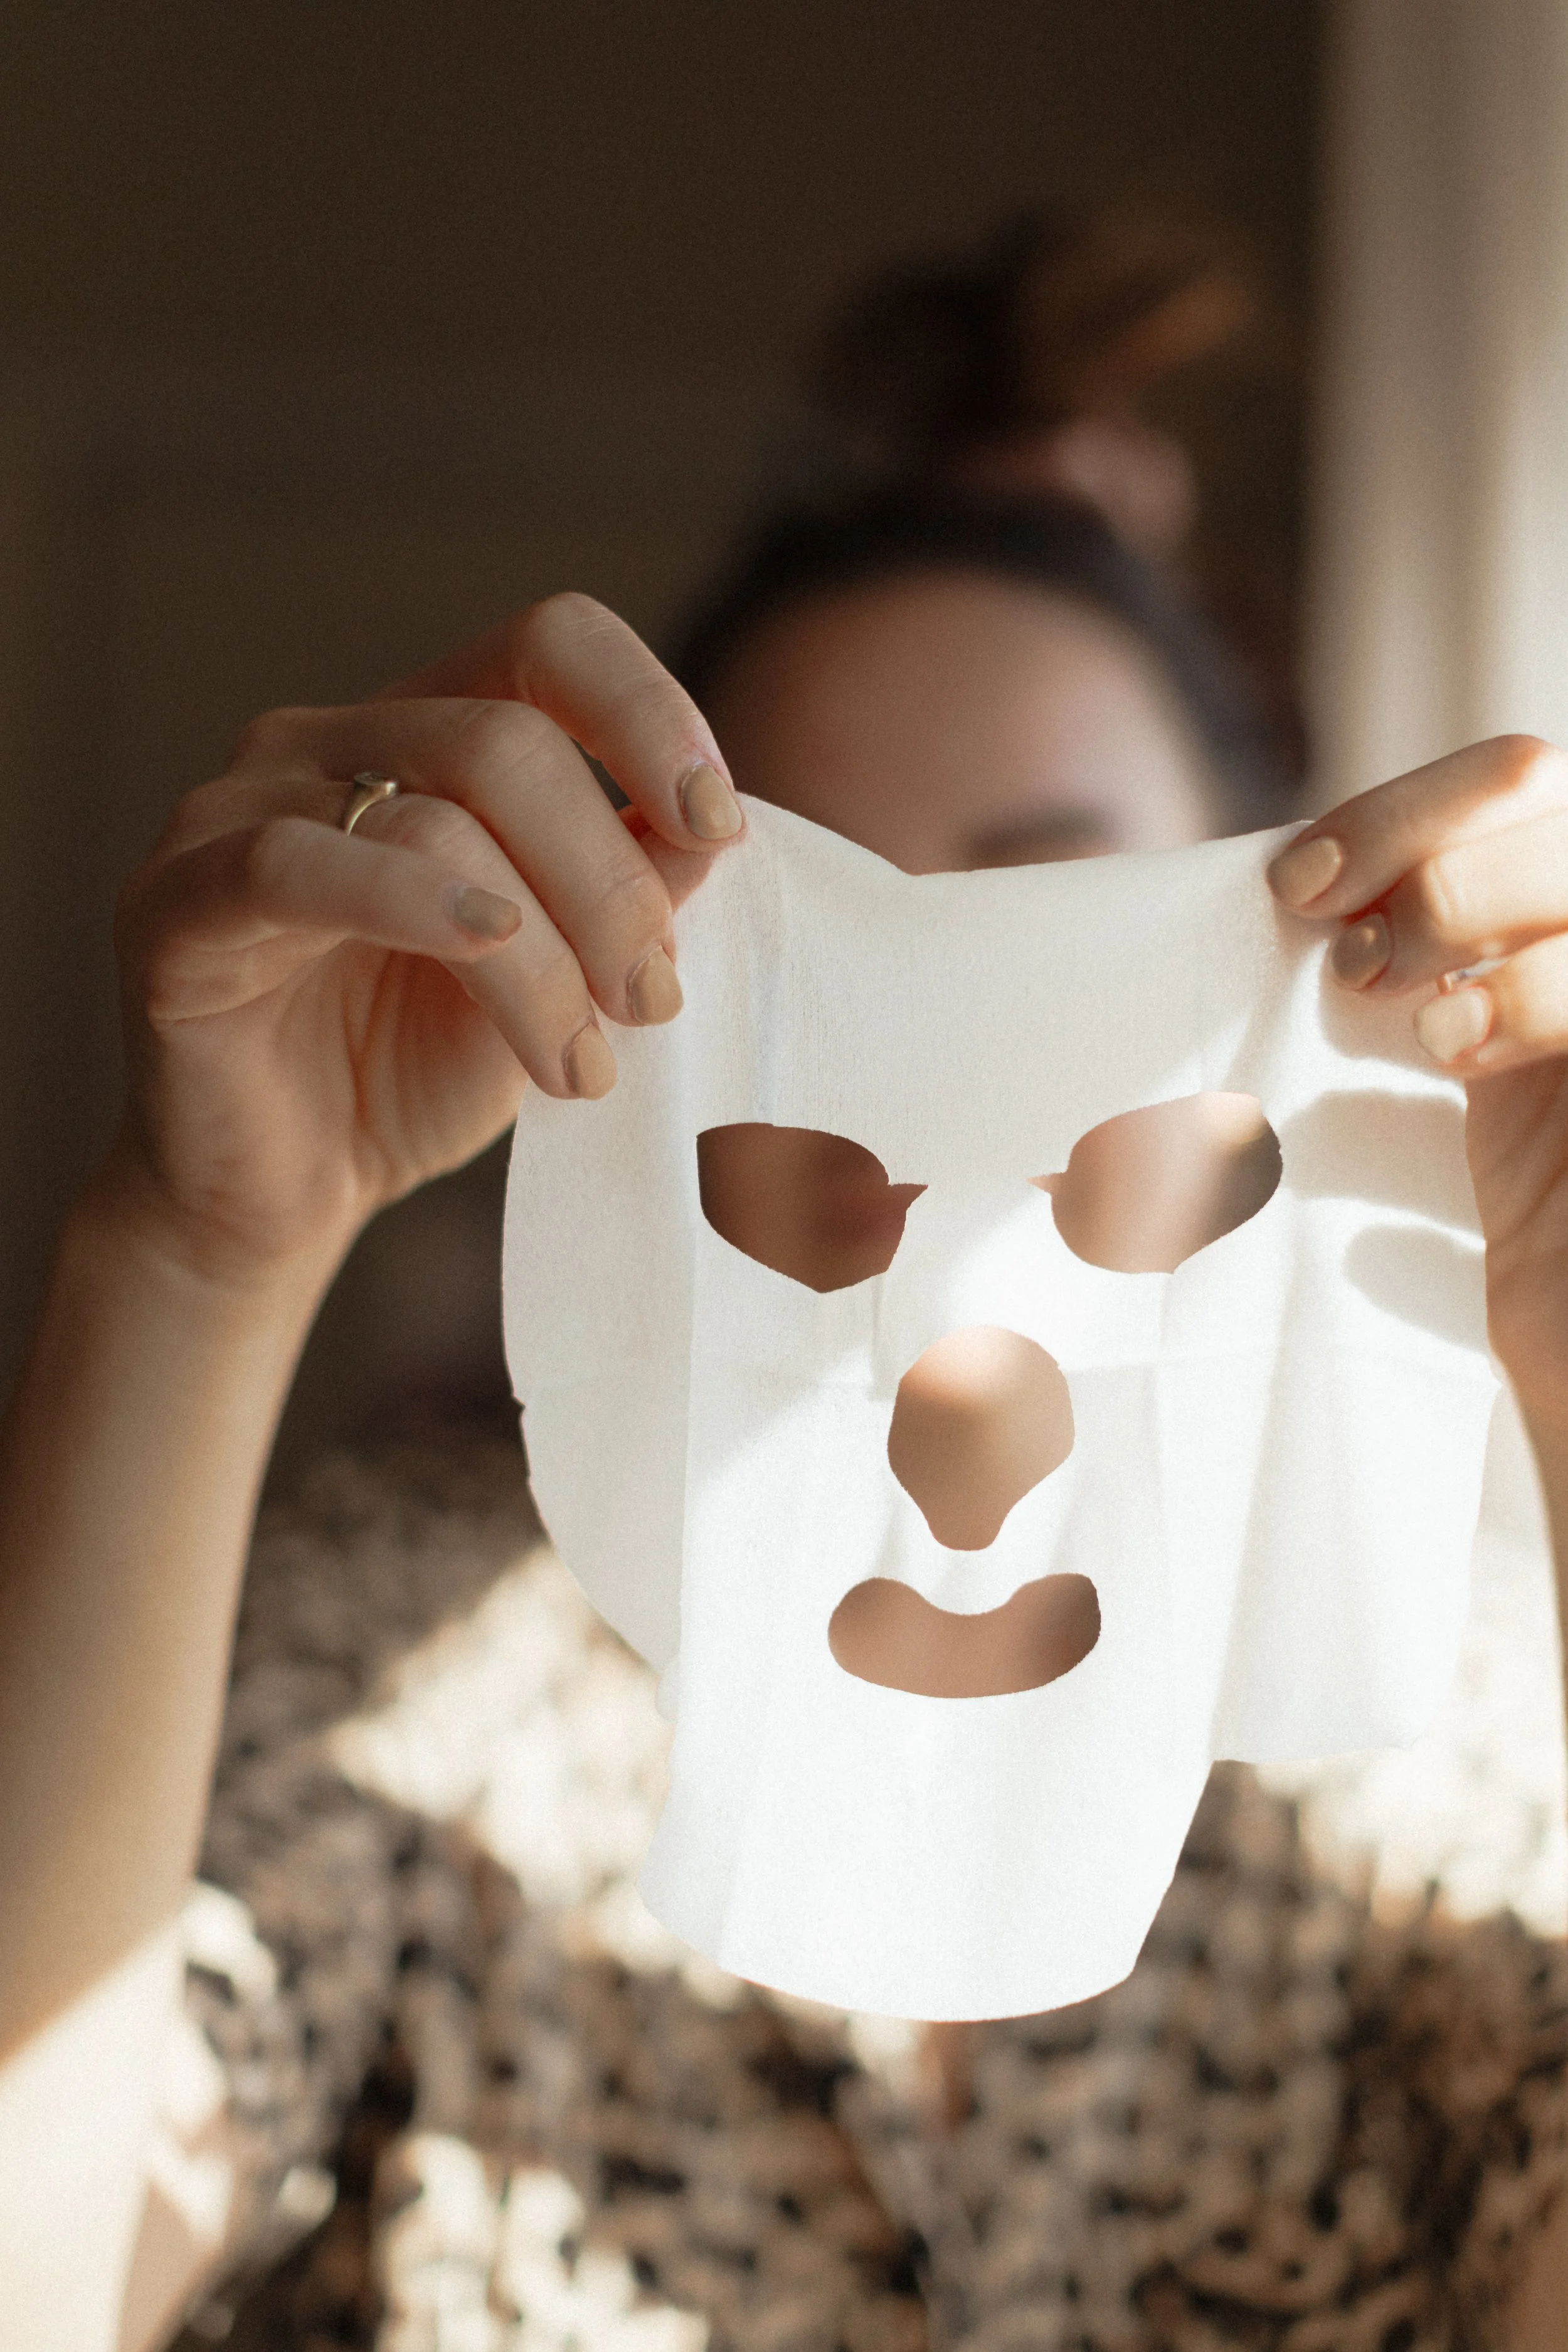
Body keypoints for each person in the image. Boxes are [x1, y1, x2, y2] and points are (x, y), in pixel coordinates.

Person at [4, 223, 1568, 2346]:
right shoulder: (419, 1662)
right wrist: (192, 1255)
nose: (946, 1083)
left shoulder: (1453, 1736)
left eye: (1050, 915)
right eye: (822, 947)